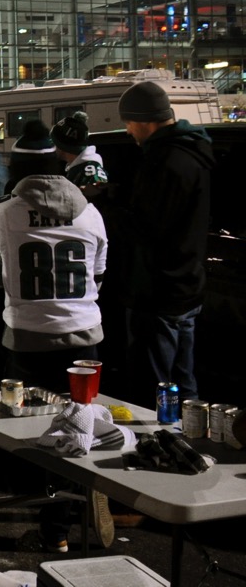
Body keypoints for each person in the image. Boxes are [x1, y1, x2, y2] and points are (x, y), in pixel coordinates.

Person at [0, 124, 109, 553]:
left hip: (29, 338)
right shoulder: (89, 212)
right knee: (77, 422)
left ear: (18, 170)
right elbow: (98, 274)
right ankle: (66, 516)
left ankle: (45, 513)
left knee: (30, 430)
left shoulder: (2, 210)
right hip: (84, 336)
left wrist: (11, 273)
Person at [118, 81, 214, 403]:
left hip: (158, 291)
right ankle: (190, 431)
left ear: (144, 121)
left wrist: (104, 205)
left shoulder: (164, 162)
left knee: (153, 389)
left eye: (129, 123)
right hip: (188, 285)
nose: (128, 131)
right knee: (184, 383)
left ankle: (160, 435)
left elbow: (146, 228)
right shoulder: (195, 152)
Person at [51, 112, 109, 200]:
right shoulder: (79, 168)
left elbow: (90, 203)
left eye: (53, 141)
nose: (50, 145)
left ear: (63, 146)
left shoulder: (88, 172)